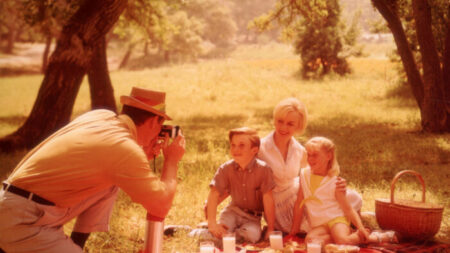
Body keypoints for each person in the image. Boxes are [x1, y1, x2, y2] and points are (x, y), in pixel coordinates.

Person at [0, 87, 185, 253]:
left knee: (110, 184)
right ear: (154, 121)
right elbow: (160, 206)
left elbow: (102, 157)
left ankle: (75, 247)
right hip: (22, 221)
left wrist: (142, 151)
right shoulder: (124, 149)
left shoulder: (100, 117)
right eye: (160, 126)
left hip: (16, 206)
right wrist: (171, 160)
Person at [258, 97, 362, 234]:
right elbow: (238, 175)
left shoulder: (300, 150)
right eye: (280, 121)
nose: (283, 127)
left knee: (353, 197)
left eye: (290, 124)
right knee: (310, 226)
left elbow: (317, 174)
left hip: (296, 193)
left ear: (298, 126)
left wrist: (336, 181)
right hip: (274, 203)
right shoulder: (260, 147)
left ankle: (351, 225)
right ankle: (344, 226)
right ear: (274, 120)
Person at [290, 137, 396, 245]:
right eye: (309, 154)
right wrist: (294, 230)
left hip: (336, 219)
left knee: (342, 241)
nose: (310, 159)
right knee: (310, 241)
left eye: (315, 155)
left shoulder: (335, 182)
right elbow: (299, 203)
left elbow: (348, 209)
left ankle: (375, 237)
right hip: (319, 224)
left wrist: (361, 227)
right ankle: (347, 235)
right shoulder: (304, 175)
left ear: (328, 156)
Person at [206, 127, 276, 243]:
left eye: (241, 145)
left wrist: (271, 228)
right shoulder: (226, 169)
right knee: (219, 231)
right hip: (232, 212)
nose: (236, 149)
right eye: (233, 145)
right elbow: (214, 193)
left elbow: (268, 199)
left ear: (254, 150)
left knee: (251, 236)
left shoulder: (264, 170)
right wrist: (212, 224)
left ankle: (225, 238)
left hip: (253, 218)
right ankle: (202, 232)